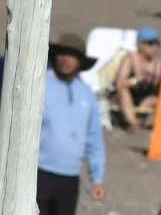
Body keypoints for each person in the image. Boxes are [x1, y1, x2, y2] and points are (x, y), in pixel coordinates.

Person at [38, 33, 106, 215]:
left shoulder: (87, 94)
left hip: (70, 178)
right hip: (38, 172)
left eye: (72, 55)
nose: (66, 59)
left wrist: (97, 178)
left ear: (80, 61)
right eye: (62, 53)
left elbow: (94, 138)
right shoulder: (40, 83)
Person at [114, 25, 161, 132]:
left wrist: (158, 80)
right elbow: (120, 84)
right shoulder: (129, 59)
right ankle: (133, 124)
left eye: (157, 44)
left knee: (158, 99)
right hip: (123, 98)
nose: (154, 47)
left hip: (144, 100)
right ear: (140, 44)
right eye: (150, 43)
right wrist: (136, 80)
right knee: (124, 92)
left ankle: (157, 125)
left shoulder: (157, 63)